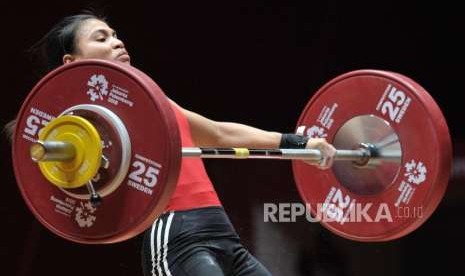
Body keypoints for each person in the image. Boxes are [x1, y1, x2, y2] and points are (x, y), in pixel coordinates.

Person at [6, 13, 336, 276]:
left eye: (116, 34)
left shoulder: (149, 103)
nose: (118, 42)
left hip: (224, 234)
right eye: (101, 38)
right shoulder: (78, 125)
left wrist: (297, 143)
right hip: (175, 236)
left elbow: (219, 134)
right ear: (71, 62)